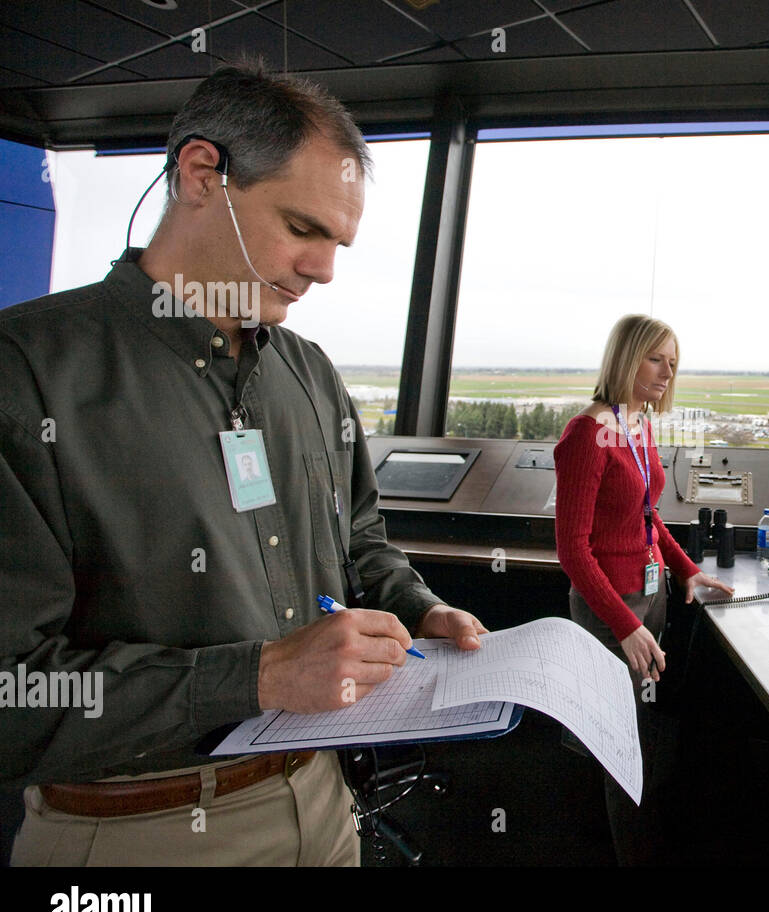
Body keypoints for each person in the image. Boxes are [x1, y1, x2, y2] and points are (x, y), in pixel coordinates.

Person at [0, 63, 486, 866]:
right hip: (138, 828)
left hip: (323, 802)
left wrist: (417, 603)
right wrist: (254, 678)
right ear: (201, 175)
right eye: (302, 228)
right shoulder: (28, 375)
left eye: (338, 242)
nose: (324, 269)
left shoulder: (310, 374)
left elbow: (359, 539)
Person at [553, 313, 732, 863]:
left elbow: (647, 518)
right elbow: (573, 550)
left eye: (673, 362)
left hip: (648, 598)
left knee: (638, 730)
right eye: (656, 357)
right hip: (613, 608)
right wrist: (625, 625)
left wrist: (685, 571)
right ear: (627, 357)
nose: (666, 371)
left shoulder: (636, 424)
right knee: (621, 744)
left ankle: (611, 835)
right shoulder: (587, 434)